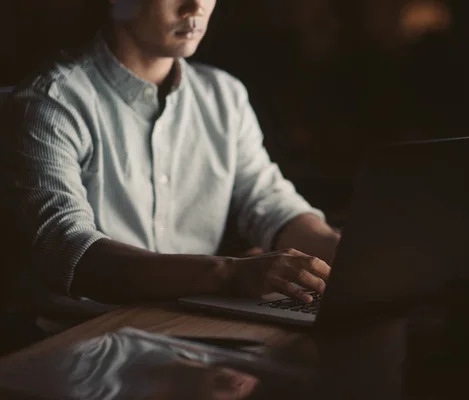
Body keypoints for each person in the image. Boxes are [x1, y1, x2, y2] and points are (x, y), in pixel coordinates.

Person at [0, 0, 340, 313]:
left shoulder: (224, 96)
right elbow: (67, 250)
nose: (195, 7)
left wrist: (345, 253)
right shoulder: (52, 101)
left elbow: (272, 205)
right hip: (80, 339)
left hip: (190, 325)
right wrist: (228, 273)